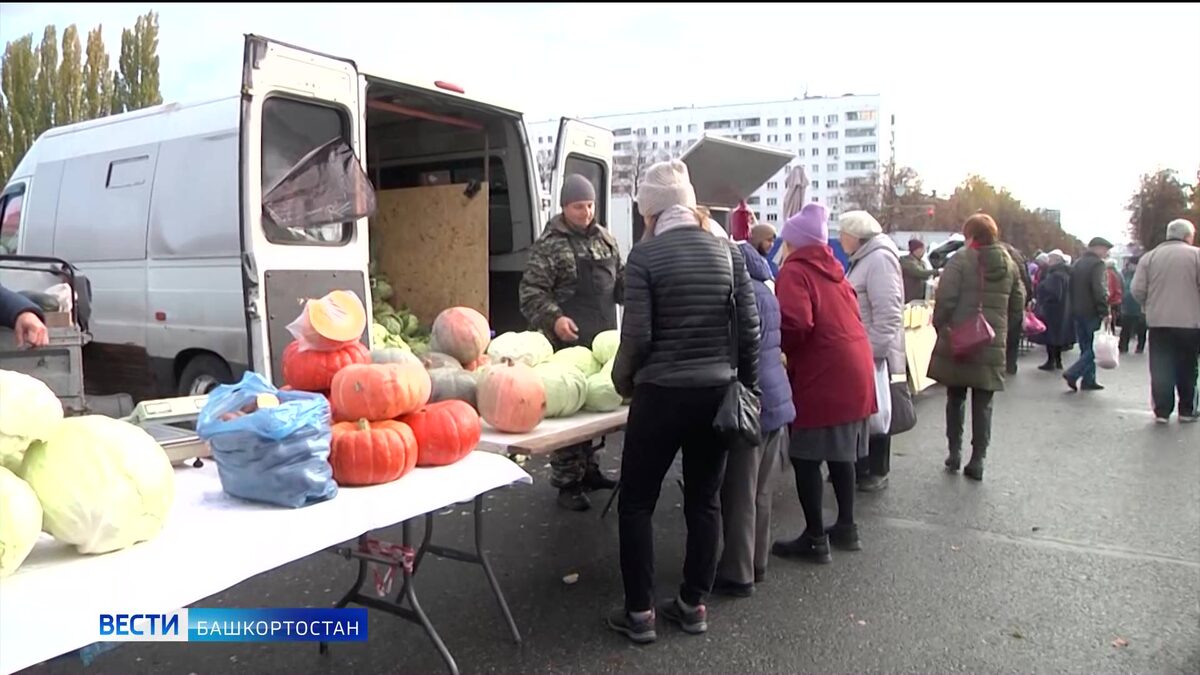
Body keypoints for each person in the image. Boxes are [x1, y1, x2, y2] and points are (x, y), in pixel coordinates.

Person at [606, 160, 760, 643]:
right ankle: (693, 605)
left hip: (661, 394)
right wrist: (746, 388)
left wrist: (624, 382)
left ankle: (639, 614)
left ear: (650, 212)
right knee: (704, 501)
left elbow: (637, 337)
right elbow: (749, 330)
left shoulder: (644, 257)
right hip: (716, 394)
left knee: (636, 503)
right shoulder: (728, 251)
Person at [772, 203, 875, 564]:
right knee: (841, 455)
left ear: (794, 242)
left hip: (824, 377)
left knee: (805, 457)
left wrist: (776, 344)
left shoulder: (795, 272)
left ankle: (815, 539)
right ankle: (847, 527)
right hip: (855, 373)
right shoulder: (836, 271)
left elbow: (796, 324)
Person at [519, 174, 624, 511]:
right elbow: (531, 293)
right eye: (579, 206)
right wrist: (555, 320)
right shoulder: (549, 244)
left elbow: (618, 281)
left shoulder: (606, 239)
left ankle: (590, 469)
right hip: (566, 340)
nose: (586, 212)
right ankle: (567, 482)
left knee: (595, 407)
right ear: (565, 207)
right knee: (568, 411)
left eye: (590, 205)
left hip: (601, 337)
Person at [712, 236, 796, 598]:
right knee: (761, 491)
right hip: (776, 399)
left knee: (739, 493)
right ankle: (757, 562)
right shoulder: (767, 290)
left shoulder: (741, 293)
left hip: (751, 402)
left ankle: (737, 573)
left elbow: (735, 350)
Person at [927, 213, 1025, 481]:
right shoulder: (1010, 263)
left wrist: (941, 326)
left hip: (960, 339)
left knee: (955, 398)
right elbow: (1018, 304)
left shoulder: (961, 260)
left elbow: (945, 298)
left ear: (971, 234)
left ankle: (954, 452)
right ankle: (978, 459)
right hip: (992, 341)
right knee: (984, 403)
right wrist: (1001, 329)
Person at [839, 211, 905, 493]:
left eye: (842, 233)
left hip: (876, 350)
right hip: (865, 348)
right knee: (866, 410)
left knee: (878, 411)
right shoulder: (865, 258)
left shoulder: (879, 259)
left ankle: (876, 470)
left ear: (854, 235)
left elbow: (889, 312)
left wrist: (872, 352)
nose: (840, 239)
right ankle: (859, 466)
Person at [1131, 218, 1200, 424]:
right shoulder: (1197, 255)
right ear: (1188, 236)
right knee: (1188, 366)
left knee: (1161, 366)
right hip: (1191, 323)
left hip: (1158, 322)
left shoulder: (1149, 257)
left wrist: (1149, 305)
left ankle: (1162, 410)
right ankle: (1187, 410)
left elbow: (1137, 290)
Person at [1063, 237, 1113, 392]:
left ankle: (1089, 380)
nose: (1106, 253)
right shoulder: (1098, 264)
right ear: (1097, 248)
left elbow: (1070, 287)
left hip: (1077, 310)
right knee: (1095, 348)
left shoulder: (1078, 263)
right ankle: (1073, 373)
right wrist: (1105, 311)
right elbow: (1100, 290)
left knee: (1086, 346)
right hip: (1092, 311)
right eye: (1105, 250)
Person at [1033, 250, 1074, 370]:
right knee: (1058, 337)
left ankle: (1051, 361)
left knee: (1051, 337)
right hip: (1064, 310)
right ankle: (1058, 361)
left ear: (1056, 260)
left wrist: (1044, 300)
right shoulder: (1066, 274)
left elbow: (1054, 293)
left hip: (1053, 311)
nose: (1048, 261)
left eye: (1050, 259)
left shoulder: (1055, 275)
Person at [1001, 242, 1033, 375]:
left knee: (1001, 334)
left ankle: (1003, 364)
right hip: (1018, 301)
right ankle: (1011, 365)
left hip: (1006, 301)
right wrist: (1028, 300)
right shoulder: (1019, 262)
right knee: (1014, 335)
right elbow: (1027, 281)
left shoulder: (1004, 263)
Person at [1118, 255, 1146, 354]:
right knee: (1125, 327)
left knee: (1141, 328)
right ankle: (1123, 346)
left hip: (1139, 305)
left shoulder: (1142, 274)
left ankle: (1140, 347)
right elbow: (1121, 286)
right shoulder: (1124, 273)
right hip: (1127, 305)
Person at [900, 238, 937, 303]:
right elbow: (919, 272)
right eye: (922, 249)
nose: (923, 251)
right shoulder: (907, 262)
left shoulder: (921, 262)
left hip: (920, 298)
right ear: (916, 250)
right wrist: (937, 272)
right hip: (910, 298)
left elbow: (926, 276)